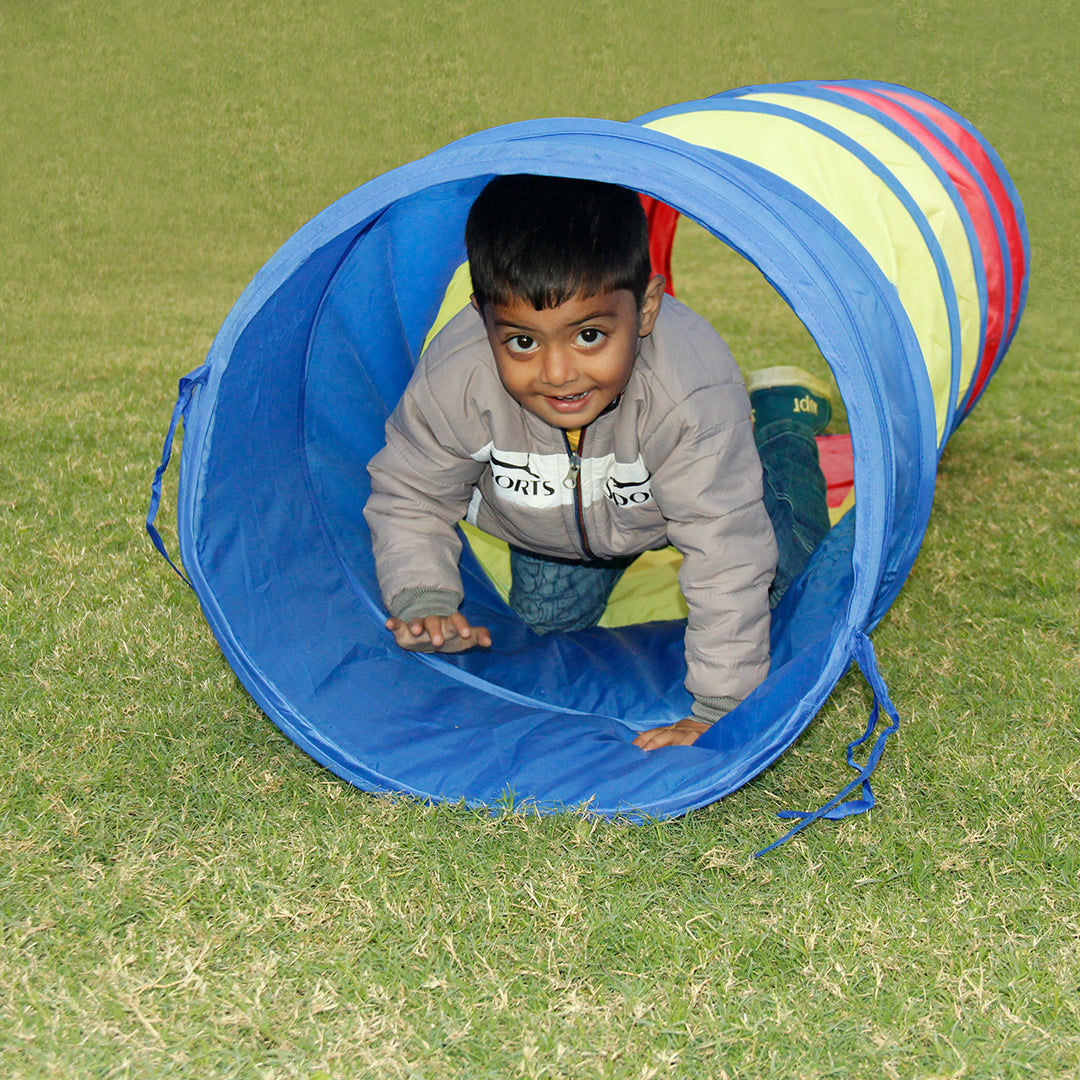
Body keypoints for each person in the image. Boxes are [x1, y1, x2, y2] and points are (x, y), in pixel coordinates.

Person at [364, 175, 831, 749]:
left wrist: (720, 709)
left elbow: (725, 548)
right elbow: (412, 491)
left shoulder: (688, 390)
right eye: (523, 342)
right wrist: (425, 598)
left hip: (677, 496)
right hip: (551, 529)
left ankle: (783, 424)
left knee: (793, 578)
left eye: (588, 335)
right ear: (483, 316)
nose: (558, 374)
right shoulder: (458, 377)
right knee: (547, 628)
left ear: (647, 309)